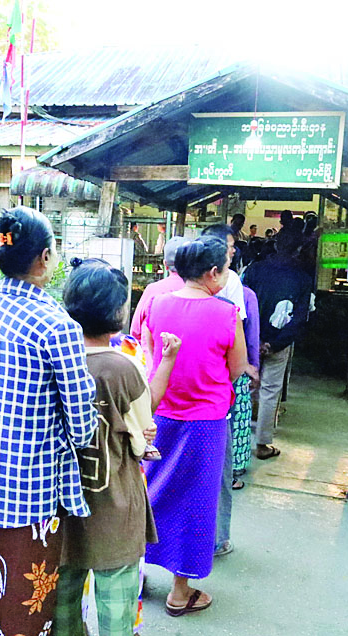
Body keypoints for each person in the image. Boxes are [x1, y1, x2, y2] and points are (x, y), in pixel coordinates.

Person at [0, 206, 97, 636]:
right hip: (29, 491)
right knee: (28, 598)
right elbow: (81, 423)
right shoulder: (56, 326)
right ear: (45, 257)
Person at [53, 259, 181, 636]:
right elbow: (143, 425)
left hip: (62, 505)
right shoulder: (122, 367)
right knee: (117, 611)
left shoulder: (55, 359)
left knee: (63, 603)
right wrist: (167, 360)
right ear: (117, 313)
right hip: (115, 505)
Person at [140, 236, 255, 617]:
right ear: (212, 272)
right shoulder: (226, 313)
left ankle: (136, 573)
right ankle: (179, 592)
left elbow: (151, 356)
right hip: (205, 422)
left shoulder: (157, 304)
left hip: (160, 415)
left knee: (151, 491)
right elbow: (237, 368)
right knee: (196, 501)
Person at [200, 225, 259, 555]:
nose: (234, 251)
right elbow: (236, 359)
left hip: (169, 405)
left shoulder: (161, 296)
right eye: (230, 246)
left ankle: (161, 542)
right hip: (212, 402)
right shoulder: (230, 285)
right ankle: (217, 539)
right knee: (217, 474)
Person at [244, 230, 314, 461]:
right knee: (270, 391)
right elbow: (300, 317)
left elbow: (242, 306)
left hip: (249, 340)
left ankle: (238, 441)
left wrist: (252, 340)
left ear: (275, 245)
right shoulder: (302, 277)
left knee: (244, 387)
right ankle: (262, 443)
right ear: (298, 249)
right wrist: (274, 344)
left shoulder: (255, 269)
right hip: (279, 342)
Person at [129, 236, 188, 347]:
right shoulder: (199, 291)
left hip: (152, 355)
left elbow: (135, 331)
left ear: (165, 265)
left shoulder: (152, 290)